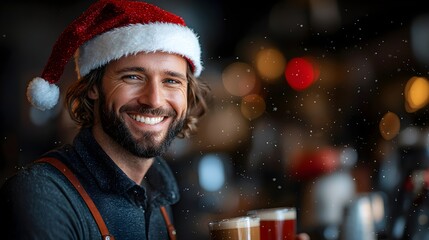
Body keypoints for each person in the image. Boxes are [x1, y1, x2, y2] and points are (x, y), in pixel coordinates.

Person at [0, 0, 310, 239]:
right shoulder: (41, 194)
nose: (154, 99)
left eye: (172, 81)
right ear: (92, 89)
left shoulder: (158, 194)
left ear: (188, 96)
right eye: (133, 77)